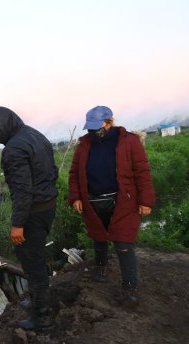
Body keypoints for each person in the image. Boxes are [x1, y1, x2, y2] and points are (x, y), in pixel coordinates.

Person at [69, 106, 155, 308]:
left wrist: (145, 201)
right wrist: (75, 198)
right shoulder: (84, 145)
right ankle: (101, 268)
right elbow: (74, 174)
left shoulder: (129, 141)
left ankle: (129, 289)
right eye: (90, 128)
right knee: (98, 237)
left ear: (109, 122)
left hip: (123, 202)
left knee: (123, 243)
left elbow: (142, 172)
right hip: (92, 202)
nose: (93, 132)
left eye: (97, 127)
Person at [0, 106, 58, 330]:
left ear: (5, 126)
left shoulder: (14, 149)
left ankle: (41, 317)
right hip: (47, 207)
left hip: (32, 213)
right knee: (37, 256)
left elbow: (22, 191)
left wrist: (17, 224)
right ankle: (37, 300)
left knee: (32, 262)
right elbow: (51, 172)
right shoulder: (35, 135)